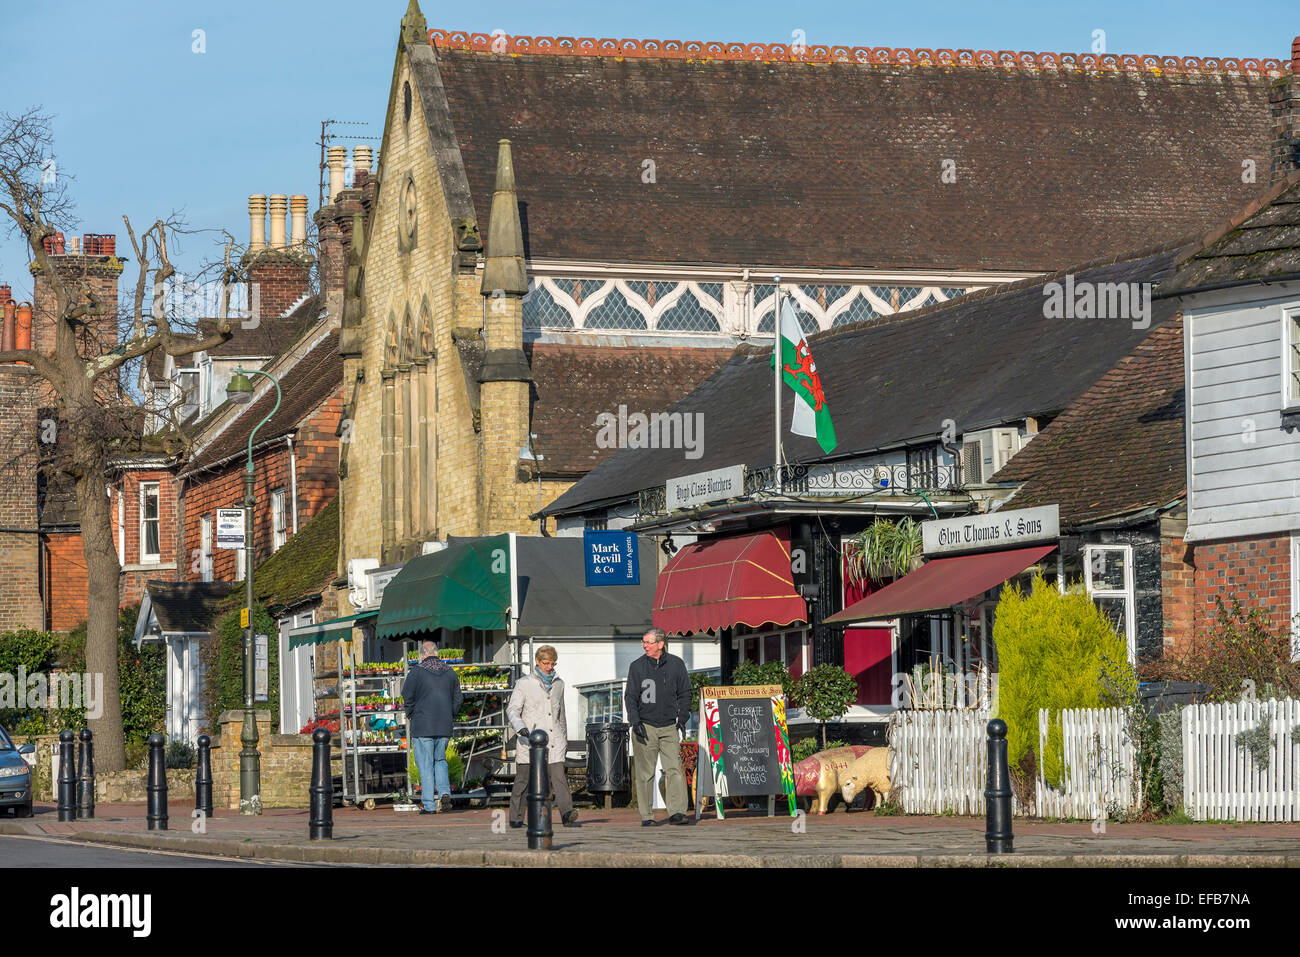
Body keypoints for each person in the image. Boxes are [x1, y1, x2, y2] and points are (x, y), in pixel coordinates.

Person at [625, 627, 692, 825]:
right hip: (645, 725)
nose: (645, 646)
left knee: (674, 770)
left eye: (649, 642)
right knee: (645, 773)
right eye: (643, 642)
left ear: (661, 644)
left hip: (670, 725)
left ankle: (677, 812)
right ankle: (647, 816)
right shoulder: (636, 667)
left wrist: (683, 717)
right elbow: (630, 696)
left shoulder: (676, 665)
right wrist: (635, 721)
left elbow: (685, 693)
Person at [507, 645, 579, 828]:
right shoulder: (523, 684)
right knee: (523, 780)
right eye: (545, 663)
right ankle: (516, 817)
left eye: (552, 663)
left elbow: (560, 714)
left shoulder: (559, 684)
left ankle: (567, 813)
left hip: (554, 741)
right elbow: (512, 710)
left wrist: (563, 737)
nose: (549, 667)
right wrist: (520, 728)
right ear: (537, 662)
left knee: (559, 777)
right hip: (529, 739)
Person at [402, 639, 463, 814]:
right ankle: (444, 792)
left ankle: (428, 805)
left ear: (422, 655)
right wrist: (449, 714)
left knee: (425, 765)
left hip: (422, 725)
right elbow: (458, 699)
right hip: (444, 725)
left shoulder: (416, 672)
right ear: (436, 653)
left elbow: (407, 695)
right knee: (440, 760)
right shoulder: (450, 672)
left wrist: (411, 713)